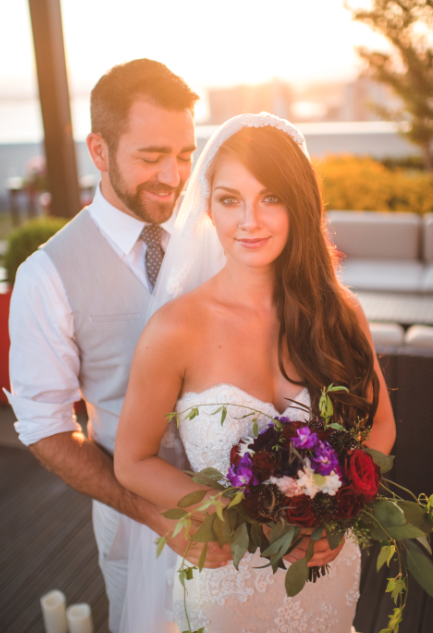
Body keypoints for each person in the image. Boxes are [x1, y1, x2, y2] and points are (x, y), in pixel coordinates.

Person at [114, 113, 396, 632]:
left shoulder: (341, 312)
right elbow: (132, 461)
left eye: (271, 197)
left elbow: (381, 427)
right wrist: (238, 511)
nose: (249, 221)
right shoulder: (175, 329)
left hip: (325, 577)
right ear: (208, 209)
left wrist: (343, 513)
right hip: (227, 583)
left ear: (299, 204)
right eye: (229, 199)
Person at [6, 59, 234, 633]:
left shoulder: (214, 234)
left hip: (242, 508)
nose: (175, 176)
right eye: (150, 156)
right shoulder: (46, 275)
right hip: (133, 518)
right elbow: (46, 428)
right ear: (99, 150)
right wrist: (153, 515)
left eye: (184, 155)